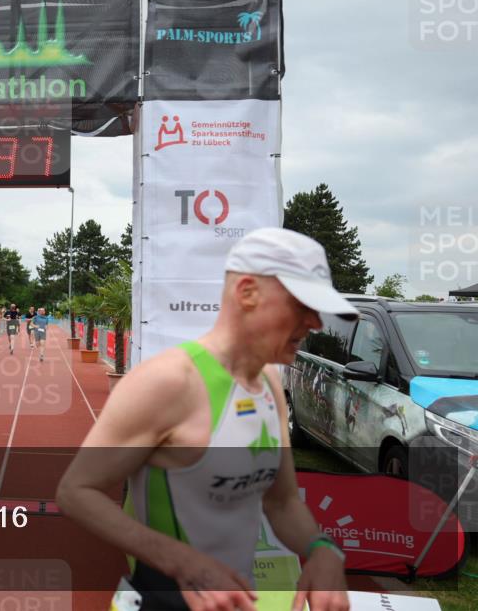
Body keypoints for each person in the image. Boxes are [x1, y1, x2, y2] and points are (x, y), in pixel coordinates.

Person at [57, 228, 352, 611]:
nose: (316, 323)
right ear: (247, 292)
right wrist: (183, 562)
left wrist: (321, 549)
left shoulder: (269, 385)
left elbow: (281, 503)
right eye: (302, 305)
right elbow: (76, 491)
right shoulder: (168, 381)